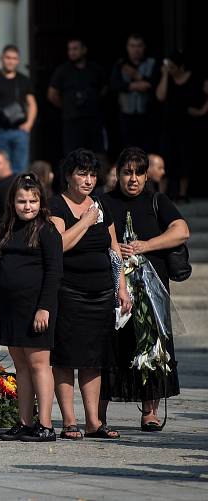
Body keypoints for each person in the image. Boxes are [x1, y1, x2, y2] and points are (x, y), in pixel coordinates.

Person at [101, 147, 189, 432]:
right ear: (117, 174)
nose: (133, 179)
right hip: (115, 284)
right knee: (111, 347)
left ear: (146, 175)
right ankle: (98, 414)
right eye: (127, 172)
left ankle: (149, 411)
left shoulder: (156, 200)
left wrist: (145, 245)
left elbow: (181, 230)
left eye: (139, 173)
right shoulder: (104, 202)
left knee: (151, 343)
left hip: (152, 286)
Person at [49, 149, 132, 440]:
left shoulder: (102, 206)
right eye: (82, 174)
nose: (88, 180)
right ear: (69, 176)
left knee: (94, 359)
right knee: (65, 358)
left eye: (92, 174)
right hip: (69, 292)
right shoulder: (56, 205)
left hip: (101, 292)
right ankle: (69, 421)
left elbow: (113, 250)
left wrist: (121, 287)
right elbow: (58, 246)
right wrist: (85, 221)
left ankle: (94, 421)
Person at [0, 174, 63, 442]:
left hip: (37, 308)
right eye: (21, 201)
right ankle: (24, 422)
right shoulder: (8, 229)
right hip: (12, 309)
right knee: (20, 366)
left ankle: (45, 424)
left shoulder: (47, 230)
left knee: (39, 365)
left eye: (33, 201)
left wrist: (44, 307)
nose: (27, 206)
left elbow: (54, 271)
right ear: (12, 202)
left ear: (41, 202)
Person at [155, 52, 208, 201]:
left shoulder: (194, 79)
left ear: (181, 67)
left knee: (185, 158)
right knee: (165, 158)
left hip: (187, 126)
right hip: (167, 125)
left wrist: (201, 111)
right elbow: (160, 96)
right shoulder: (167, 78)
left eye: (172, 67)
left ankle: (183, 193)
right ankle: (162, 194)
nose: (169, 69)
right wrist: (165, 75)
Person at [0, 44, 37, 173]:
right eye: (8, 57)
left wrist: (29, 124)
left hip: (19, 132)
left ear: (18, 60)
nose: (10, 61)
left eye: (14, 58)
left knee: (20, 169)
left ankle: (18, 193)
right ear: (2, 58)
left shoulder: (23, 80)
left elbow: (32, 103)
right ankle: (3, 193)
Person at [48, 37, 107, 154]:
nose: (72, 52)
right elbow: (52, 94)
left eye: (75, 49)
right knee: (73, 155)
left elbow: (104, 88)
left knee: (97, 154)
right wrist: (66, 106)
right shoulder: (62, 70)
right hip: (72, 121)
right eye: (69, 49)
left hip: (93, 119)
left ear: (84, 50)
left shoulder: (95, 69)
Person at [110, 34, 159, 152]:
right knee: (129, 150)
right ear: (127, 47)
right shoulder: (120, 64)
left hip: (147, 115)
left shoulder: (152, 63)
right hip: (126, 115)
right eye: (132, 46)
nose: (136, 49)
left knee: (148, 149)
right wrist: (134, 85)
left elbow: (154, 83)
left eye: (139, 46)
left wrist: (137, 76)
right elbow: (114, 84)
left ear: (144, 47)